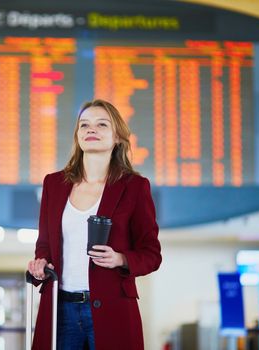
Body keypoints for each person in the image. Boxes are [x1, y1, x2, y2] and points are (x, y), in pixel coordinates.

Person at [27, 99, 162, 350]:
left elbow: (152, 254)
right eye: (84, 125)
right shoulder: (54, 185)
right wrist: (41, 262)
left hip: (113, 308)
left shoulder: (134, 187)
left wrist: (121, 259)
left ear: (118, 137)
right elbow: (44, 244)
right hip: (60, 310)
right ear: (77, 136)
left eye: (102, 124)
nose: (91, 130)